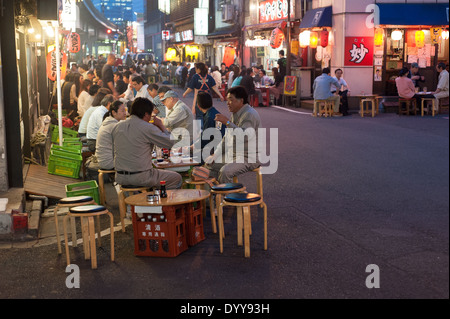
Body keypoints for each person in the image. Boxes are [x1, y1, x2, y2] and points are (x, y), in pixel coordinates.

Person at [111, 97, 182, 189]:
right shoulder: (147, 127)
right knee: (176, 178)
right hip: (141, 177)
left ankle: (151, 199)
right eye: (151, 114)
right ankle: (163, 202)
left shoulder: (117, 126)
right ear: (146, 114)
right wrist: (161, 125)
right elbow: (170, 143)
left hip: (120, 176)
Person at [205, 86, 261, 183]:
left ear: (241, 101)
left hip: (248, 157)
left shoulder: (249, 114)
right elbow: (226, 139)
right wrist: (215, 154)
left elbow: (245, 136)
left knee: (225, 171)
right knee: (209, 164)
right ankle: (214, 196)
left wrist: (227, 122)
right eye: (227, 100)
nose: (227, 103)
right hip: (234, 154)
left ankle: (227, 197)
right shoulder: (235, 114)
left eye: (231, 100)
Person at [96, 100, 127, 170]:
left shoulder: (109, 122)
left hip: (102, 160)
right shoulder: (114, 126)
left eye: (125, 110)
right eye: (122, 111)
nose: (125, 113)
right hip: (108, 162)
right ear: (114, 112)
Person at [195, 91, 225, 162]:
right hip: (220, 146)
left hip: (216, 150)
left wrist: (191, 148)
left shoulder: (209, 117)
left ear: (198, 106)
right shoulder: (214, 112)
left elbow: (204, 141)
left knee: (192, 156)